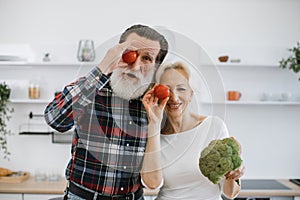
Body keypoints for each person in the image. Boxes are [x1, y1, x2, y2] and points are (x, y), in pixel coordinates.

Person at [44, 24, 168, 200]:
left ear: (155, 67)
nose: (135, 65)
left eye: (147, 58)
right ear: (117, 52)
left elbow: (155, 177)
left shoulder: (154, 104)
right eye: (130, 53)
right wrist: (103, 67)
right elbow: (54, 119)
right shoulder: (89, 87)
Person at [141, 61, 245, 200]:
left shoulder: (213, 126)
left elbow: (230, 193)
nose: (174, 97)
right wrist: (154, 123)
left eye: (181, 89)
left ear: (191, 94)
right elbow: (152, 184)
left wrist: (234, 172)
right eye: (167, 89)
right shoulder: (154, 136)